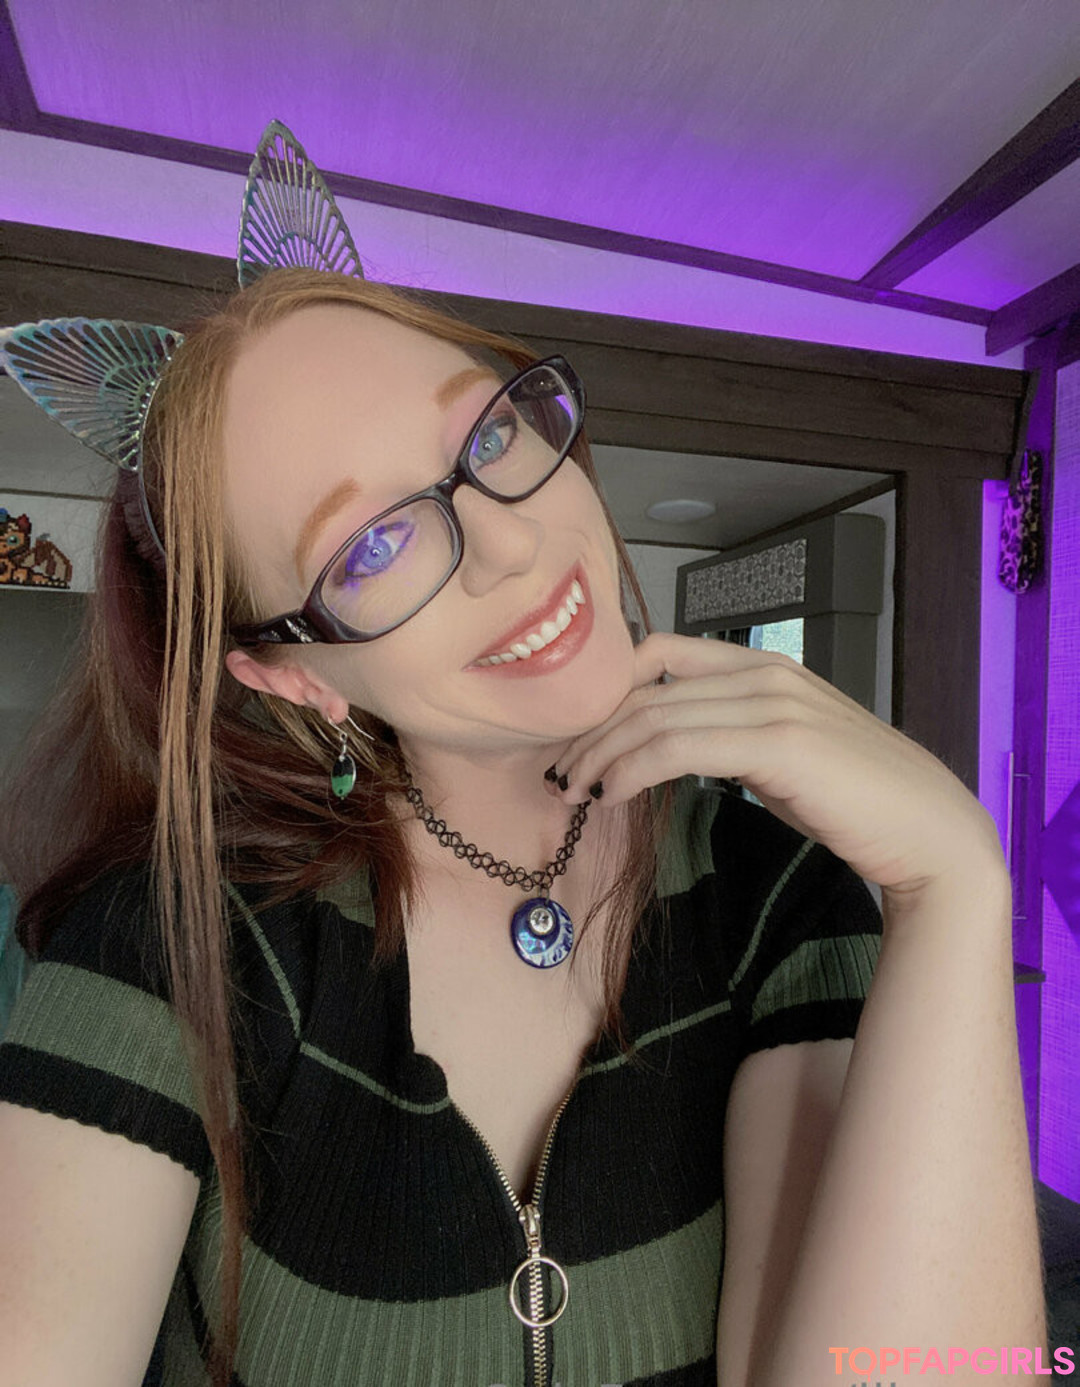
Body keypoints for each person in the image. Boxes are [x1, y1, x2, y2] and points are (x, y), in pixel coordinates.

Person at [0, 125, 1047, 1387]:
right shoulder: (170, 947)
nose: (511, 545)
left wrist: (953, 882)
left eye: (486, 440)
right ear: (292, 674)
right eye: (372, 547)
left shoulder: (774, 895)